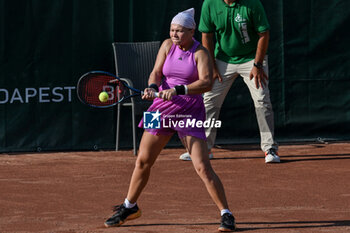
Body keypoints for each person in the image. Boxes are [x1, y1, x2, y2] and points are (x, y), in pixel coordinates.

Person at [104, 8, 236, 232]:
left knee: (202, 167)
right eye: (172, 30)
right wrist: (153, 87)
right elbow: (156, 72)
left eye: (180, 31)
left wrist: (178, 90)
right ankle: (130, 206)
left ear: (192, 31)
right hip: (160, 108)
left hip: (190, 110)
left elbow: (206, 83)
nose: (175, 35)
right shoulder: (167, 45)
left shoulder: (200, 53)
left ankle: (226, 213)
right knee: (143, 161)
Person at [179, 0, 280, 163]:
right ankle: (204, 148)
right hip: (222, 60)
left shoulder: (253, 4)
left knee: (262, 100)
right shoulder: (210, 4)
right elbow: (207, 36)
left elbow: (264, 34)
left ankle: (269, 149)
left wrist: (257, 64)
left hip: (252, 59)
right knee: (209, 101)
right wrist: (211, 66)